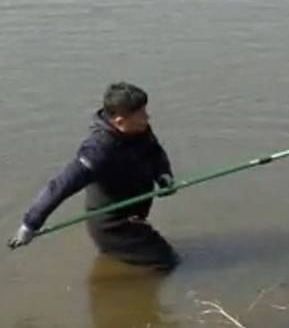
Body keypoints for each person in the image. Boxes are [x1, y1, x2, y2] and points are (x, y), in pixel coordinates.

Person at [7, 82, 179, 271]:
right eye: (141, 114)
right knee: (167, 263)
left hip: (134, 213)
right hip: (112, 226)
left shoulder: (139, 129)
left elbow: (154, 152)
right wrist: (30, 224)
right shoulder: (98, 151)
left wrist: (163, 176)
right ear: (120, 121)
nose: (147, 117)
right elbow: (60, 186)